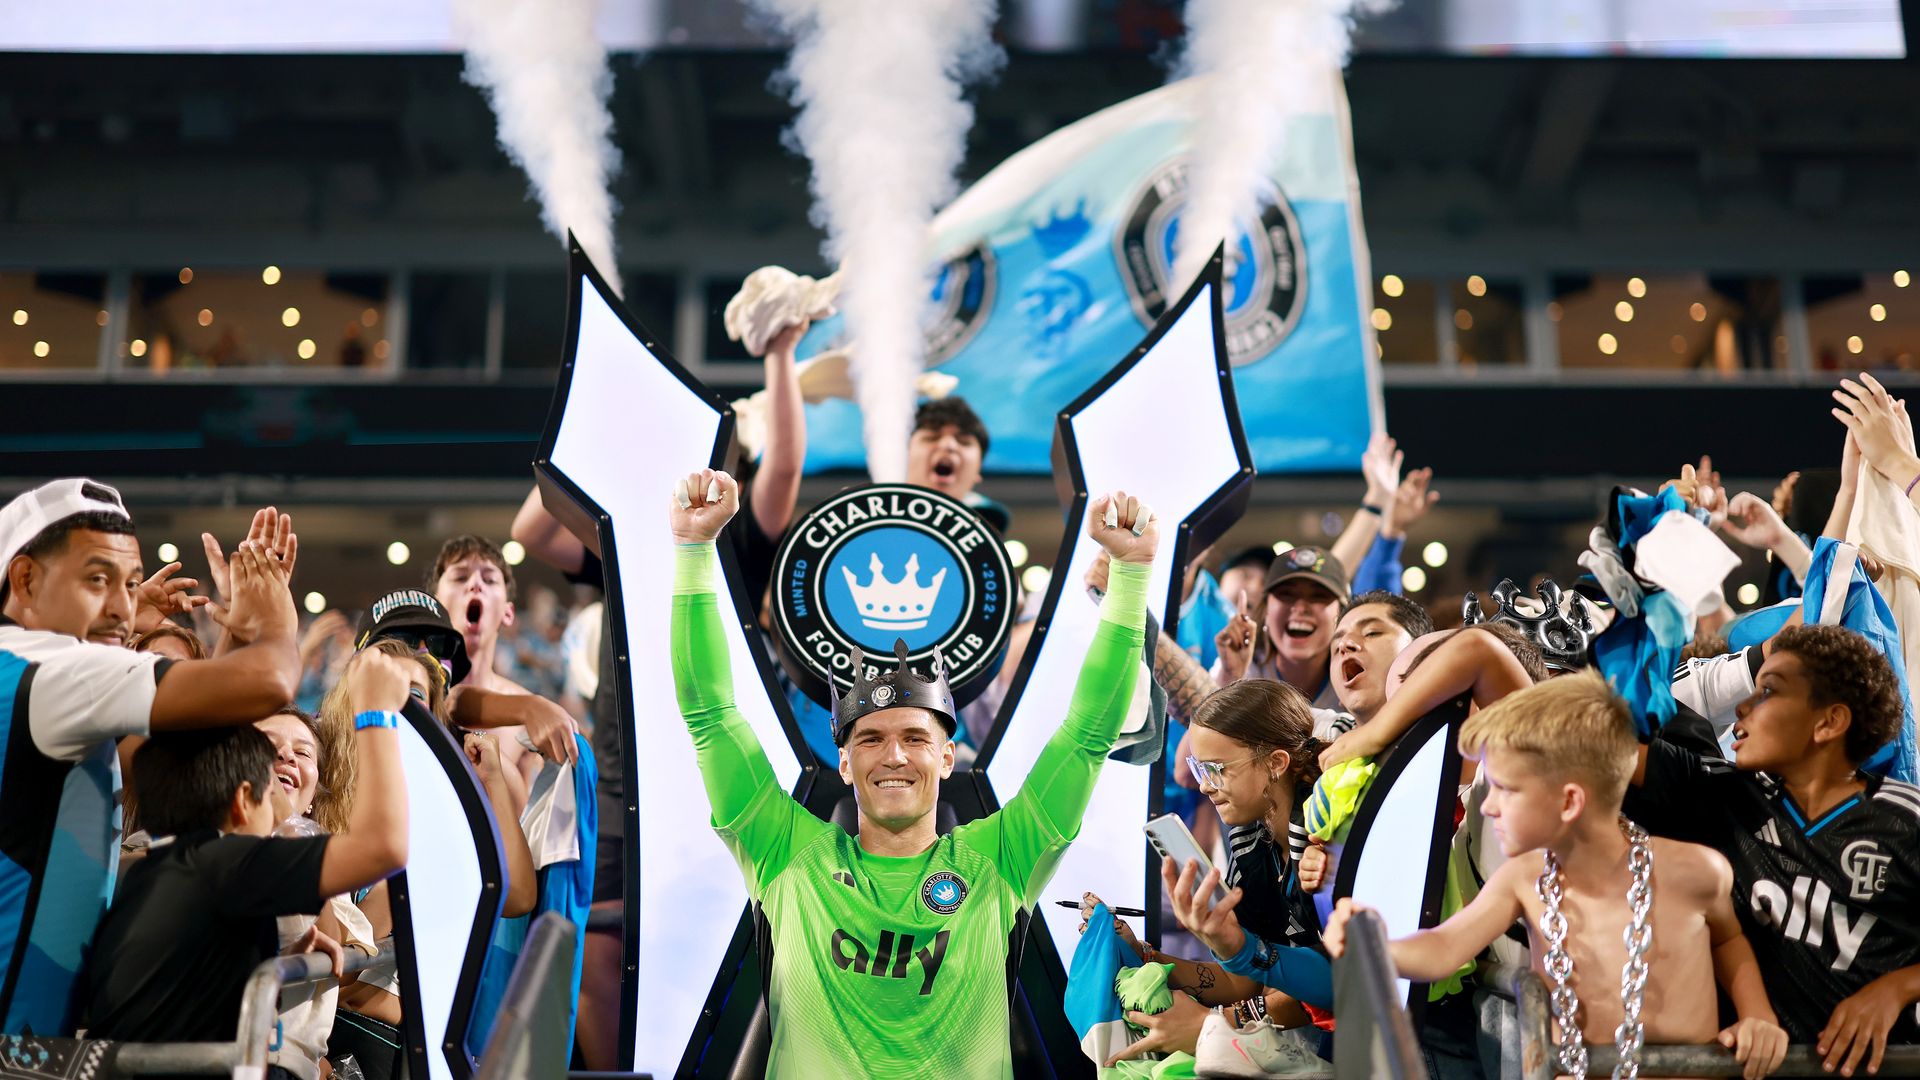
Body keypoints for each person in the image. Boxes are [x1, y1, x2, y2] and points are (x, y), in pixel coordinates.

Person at [668, 467, 1155, 1076]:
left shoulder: (1004, 857)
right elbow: (709, 714)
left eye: (916, 739)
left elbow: (1088, 734)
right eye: (870, 739)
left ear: (947, 758)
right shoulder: (784, 853)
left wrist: (1132, 573)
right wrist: (693, 550)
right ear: (844, 762)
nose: (894, 756)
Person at [1324, 671, 1790, 1080]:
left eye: (1505, 789)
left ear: (1569, 801)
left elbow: (1728, 941)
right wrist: (1376, 945)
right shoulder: (1523, 879)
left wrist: (1758, 1014)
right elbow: (1445, 947)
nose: (1488, 806)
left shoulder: (1697, 870)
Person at [0, 483, 302, 1035]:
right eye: (97, 580)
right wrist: (273, 618)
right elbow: (272, 681)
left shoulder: (22, 671)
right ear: (25, 580)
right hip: (17, 1041)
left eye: (131, 583)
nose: (123, 607)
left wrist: (235, 632)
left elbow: (184, 757)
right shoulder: (53, 671)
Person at [82, 645, 414, 1051]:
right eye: (267, 782)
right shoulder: (232, 861)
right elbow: (384, 848)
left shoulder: (160, 869)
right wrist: (376, 713)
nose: (284, 762)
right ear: (242, 800)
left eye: (302, 752)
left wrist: (281, 953)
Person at [1627, 624, 1920, 1077]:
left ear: (1828, 722)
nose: (1742, 707)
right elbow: (1588, 745)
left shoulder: (1905, 821)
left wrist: (1898, 988)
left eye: (1768, 691)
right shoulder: (1721, 795)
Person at [1094, 679, 1339, 1068]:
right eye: (1198, 768)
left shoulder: (1328, 839)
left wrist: (1215, 1025)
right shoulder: (1252, 842)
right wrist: (1146, 956)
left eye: (1216, 769)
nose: (1205, 787)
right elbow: (1240, 981)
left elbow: (1342, 979)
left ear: (1276, 763)